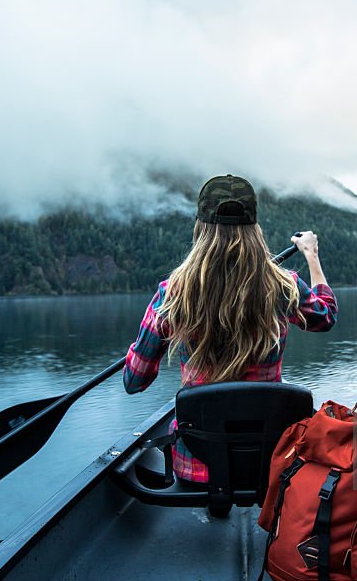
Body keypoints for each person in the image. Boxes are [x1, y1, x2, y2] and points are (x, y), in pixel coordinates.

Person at [123, 174, 337, 483]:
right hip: (272, 461)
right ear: (254, 228)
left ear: (201, 227)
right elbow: (325, 316)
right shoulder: (283, 285)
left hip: (197, 464)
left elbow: (134, 381)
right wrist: (312, 257)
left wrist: (154, 336)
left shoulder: (172, 294)